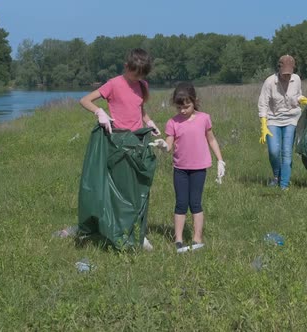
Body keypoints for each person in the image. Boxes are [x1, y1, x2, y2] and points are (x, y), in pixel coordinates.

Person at [79, 48, 159, 250]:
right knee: (121, 190)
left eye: (142, 75)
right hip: (118, 143)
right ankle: (116, 228)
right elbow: (85, 100)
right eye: (135, 74)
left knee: (139, 189)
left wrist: (149, 122)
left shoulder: (142, 85)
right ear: (126, 66)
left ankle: (138, 231)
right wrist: (100, 112)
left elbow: (140, 109)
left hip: (138, 142)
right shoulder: (114, 84)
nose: (137, 78)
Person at [149, 82, 225, 253]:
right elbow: (168, 145)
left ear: (194, 101)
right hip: (180, 169)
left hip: (199, 168)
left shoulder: (204, 118)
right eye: (179, 107)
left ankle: (197, 238)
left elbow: (211, 139)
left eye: (186, 106)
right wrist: (163, 145)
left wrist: (220, 160)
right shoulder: (172, 122)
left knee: (195, 203)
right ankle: (178, 239)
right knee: (181, 203)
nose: (183, 110)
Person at [257, 54, 303, 190]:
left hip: (291, 119)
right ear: (279, 69)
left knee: (286, 152)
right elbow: (263, 104)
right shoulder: (270, 82)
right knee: (274, 151)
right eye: (284, 74)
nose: (287, 77)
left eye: (289, 74)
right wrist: (263, 125)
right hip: (273, 119)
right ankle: (276, 176)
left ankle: (284, 185)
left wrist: (304, 99)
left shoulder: (297, 80)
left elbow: (298, 95)